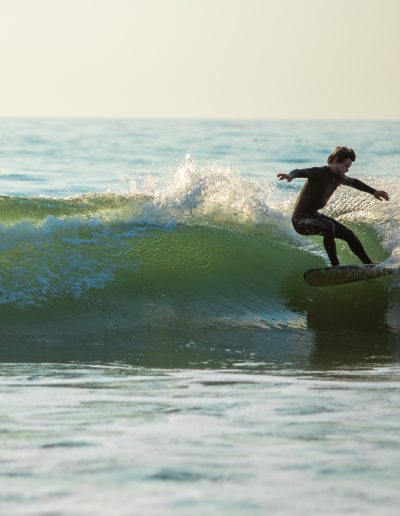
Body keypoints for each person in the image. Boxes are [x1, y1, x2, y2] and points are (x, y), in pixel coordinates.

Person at [277, 146, 389, 266]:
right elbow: (299, 171)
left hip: (314, 217)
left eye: (349, 167)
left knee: (349, 235)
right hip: (300, 220)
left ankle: (369, 264)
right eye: (346, 166)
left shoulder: (339, 177)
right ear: (335, 161)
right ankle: (335, 266)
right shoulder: (319, 172)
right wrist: (290, 176)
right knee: (328, 225)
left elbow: (355, 182)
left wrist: (374, 192)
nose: (347, 170)